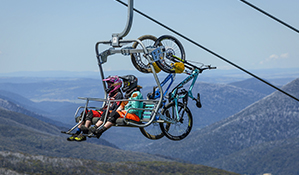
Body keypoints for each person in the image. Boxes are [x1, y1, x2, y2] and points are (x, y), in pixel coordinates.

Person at [67, 75, 123, 141]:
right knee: (85, 112)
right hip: (104, 111)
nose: (108, 86)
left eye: (110, 84)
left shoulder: (118, 95)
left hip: (107, 112)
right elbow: (106, 105)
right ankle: (78, 132)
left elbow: (114, 108)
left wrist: (104, 111)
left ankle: (84, 133)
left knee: (90, 113)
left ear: (115, 84)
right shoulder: (110, 94)